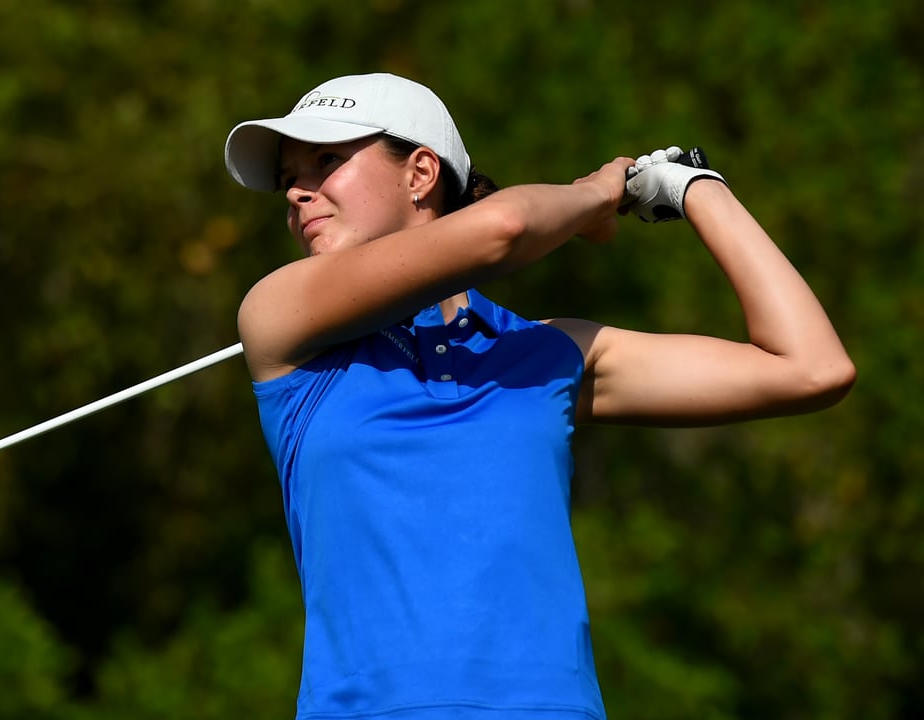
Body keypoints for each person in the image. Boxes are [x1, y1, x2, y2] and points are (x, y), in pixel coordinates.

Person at [222, 73, 855, 720]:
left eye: (326, 161)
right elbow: (504, 227)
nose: (299, 191)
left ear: (419, 174)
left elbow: (810, 368)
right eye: (288, 177)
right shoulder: (281, 321)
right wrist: (596, 193)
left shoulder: (546, 354)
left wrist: (695, 189)